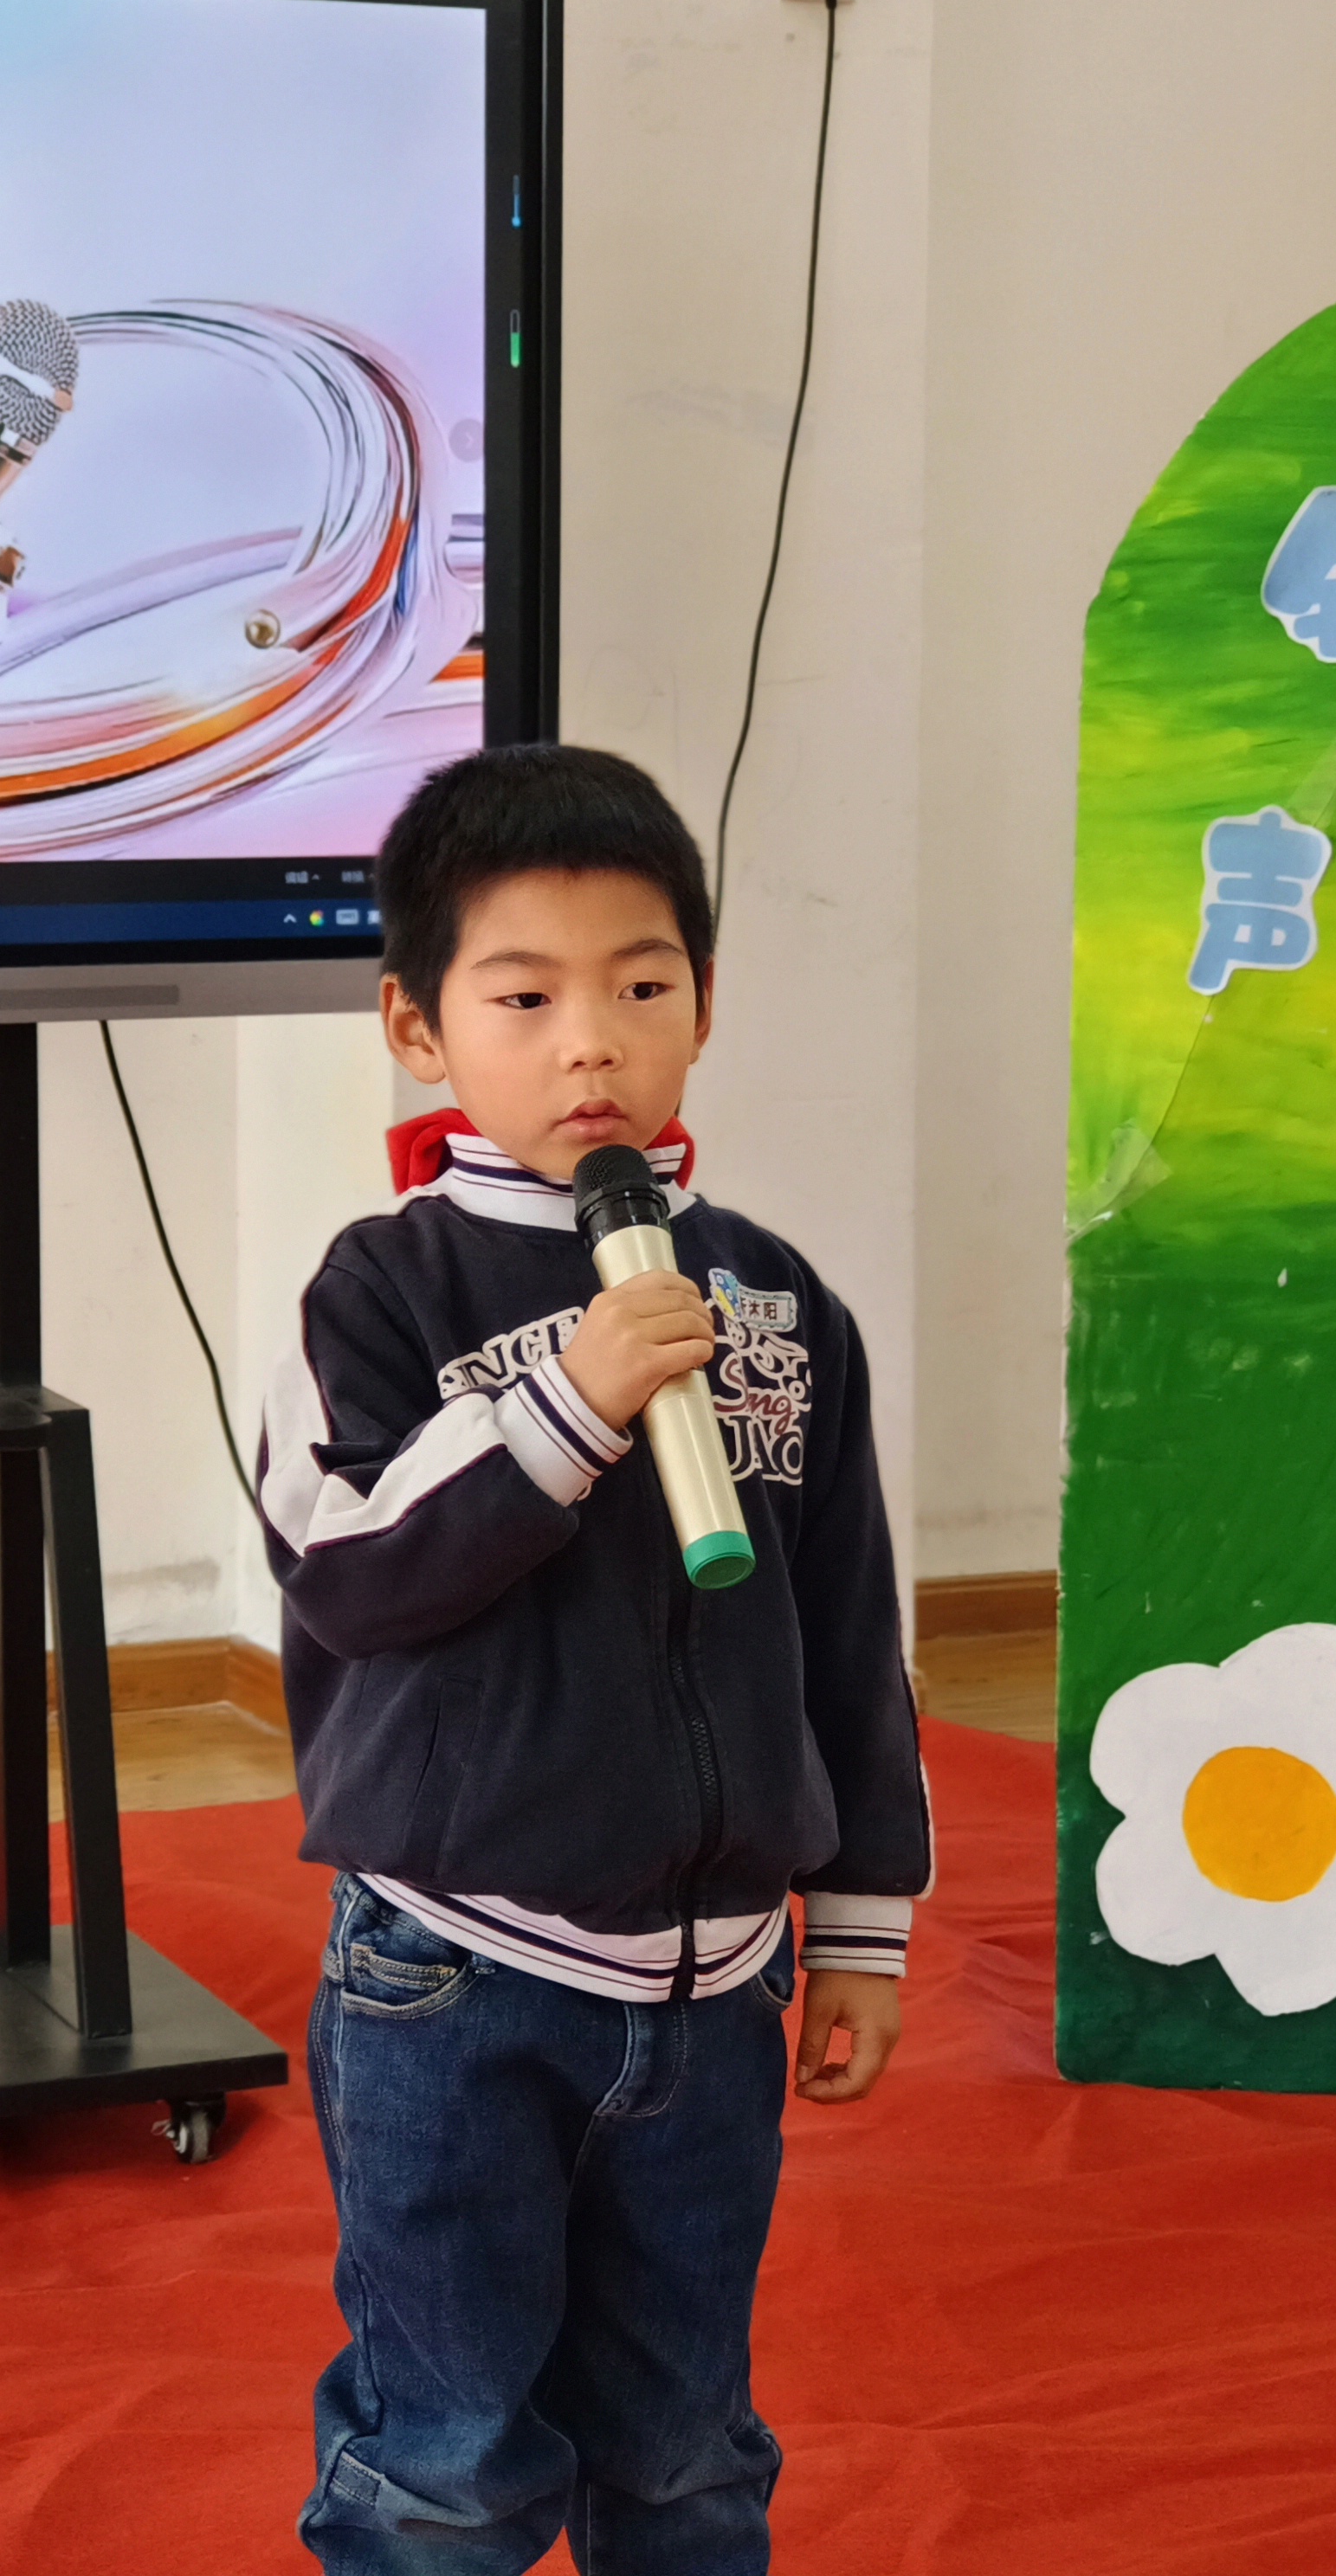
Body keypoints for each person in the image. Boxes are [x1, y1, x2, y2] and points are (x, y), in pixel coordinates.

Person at [255, 742, 933, 2573]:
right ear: (418, 1026)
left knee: (684, 2445)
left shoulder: (775, 1299)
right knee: (451, 2450)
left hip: (715, 1994)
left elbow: (848, 1622)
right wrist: (565, 1406)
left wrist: (858, 1923)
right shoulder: (376, 1290)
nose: (592, 1048)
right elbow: (345, 1572)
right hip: (457, 1974)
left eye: (641, 989)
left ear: (704, 1004)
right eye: (525, 998)